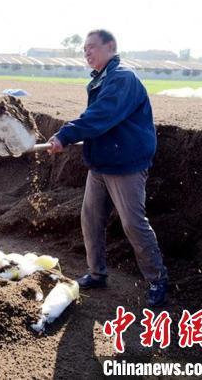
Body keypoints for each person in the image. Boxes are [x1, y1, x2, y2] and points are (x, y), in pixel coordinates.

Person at [47, 29, 168, 307]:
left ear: (110, 46)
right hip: (102, 163)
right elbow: (98, 118)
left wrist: (65, 134)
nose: (86, 53)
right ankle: (97, 273)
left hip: (125, 164)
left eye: (92, 47)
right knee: (91, 218)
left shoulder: (122, 77)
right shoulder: (103, 78)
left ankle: (158, 279)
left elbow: (102, 116)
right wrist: (70, 135)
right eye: (84, 49)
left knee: (133, 224)